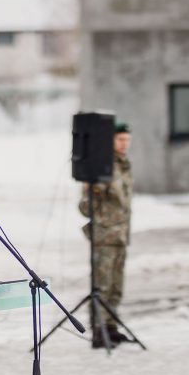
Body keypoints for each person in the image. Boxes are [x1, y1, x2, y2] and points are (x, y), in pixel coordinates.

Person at [79, 121, 133, 348]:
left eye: (127, 140)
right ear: (110, 141)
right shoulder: (102, 168)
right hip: (104, 236)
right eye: (120, 139)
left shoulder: (123, 166)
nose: (124, 144)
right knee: (101, 284)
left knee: (116, 285)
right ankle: (99, 329)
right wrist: (95, 192)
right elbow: (84, 206)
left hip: (120, 235)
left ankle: (111, 326)